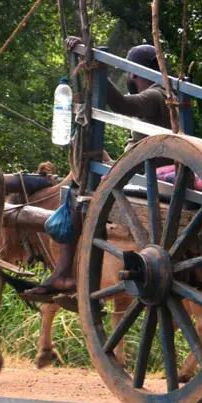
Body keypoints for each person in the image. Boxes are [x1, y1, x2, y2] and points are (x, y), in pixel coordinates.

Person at [23, 37, 170, 298]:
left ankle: (65, 273)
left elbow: (124, 105)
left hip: (143, 175)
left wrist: (97, 69)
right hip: (142, 170)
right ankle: (68, 272)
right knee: (89, 166)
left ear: (134, 72)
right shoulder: (166, 93)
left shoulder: (158, 94)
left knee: (79, 190)